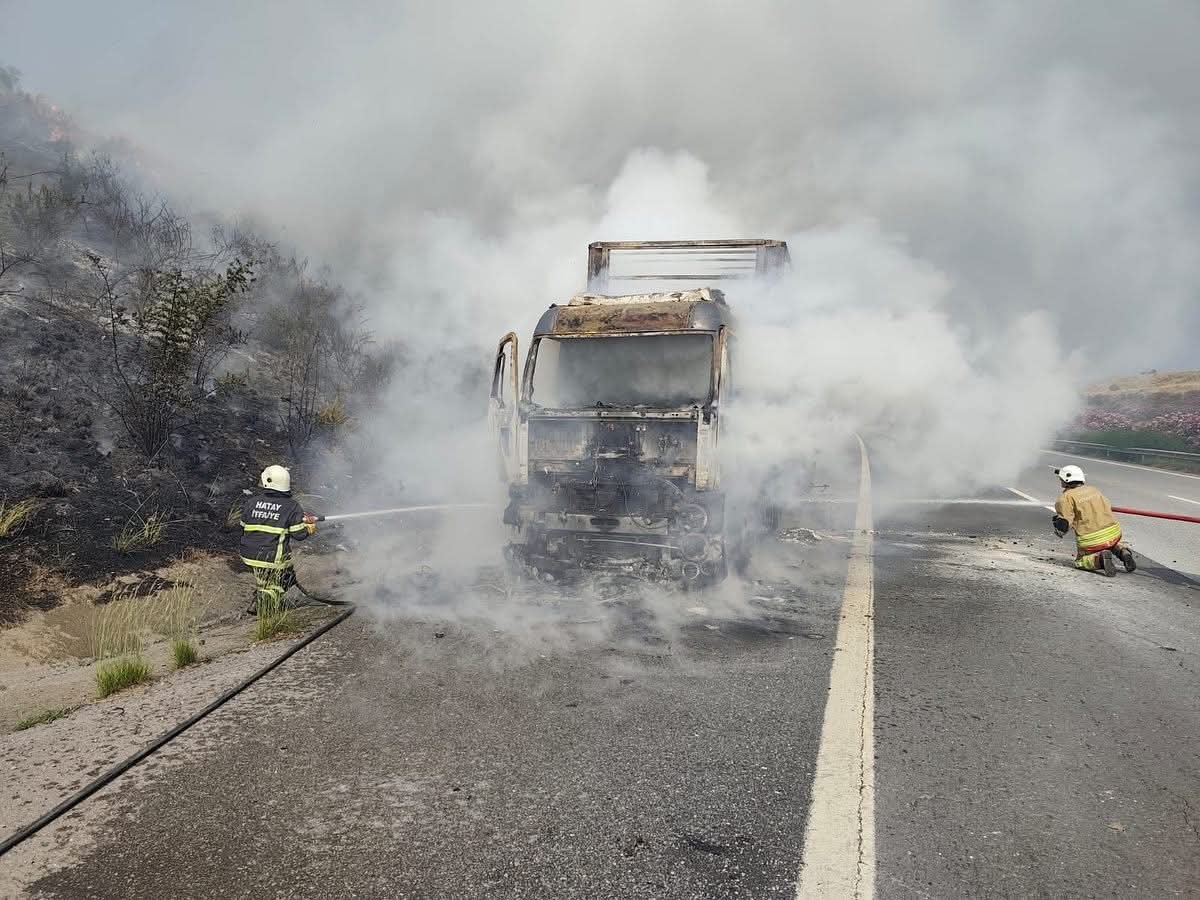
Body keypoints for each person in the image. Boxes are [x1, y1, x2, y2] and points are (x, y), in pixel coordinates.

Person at [239, 465, 318, 614]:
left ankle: (262, 596)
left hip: (249, 554)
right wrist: (309, 527)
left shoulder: (252, 502)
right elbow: (299, 535)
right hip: (272, 557)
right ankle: (264, 602)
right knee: (285, 579)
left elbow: (243, 525)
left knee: (265, 579)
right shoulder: (292, 507)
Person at [1052, 464, 1136, 577]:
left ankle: (1099, 559)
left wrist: (1057, 525)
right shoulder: (1094, 490)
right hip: (1114, 532)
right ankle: (1123, 552)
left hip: (1091, 539)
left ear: (1066, 480)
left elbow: (1064, 524)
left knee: (1080, 561)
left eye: (1061, 478)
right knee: (1111, 544)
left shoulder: (1065, 498)